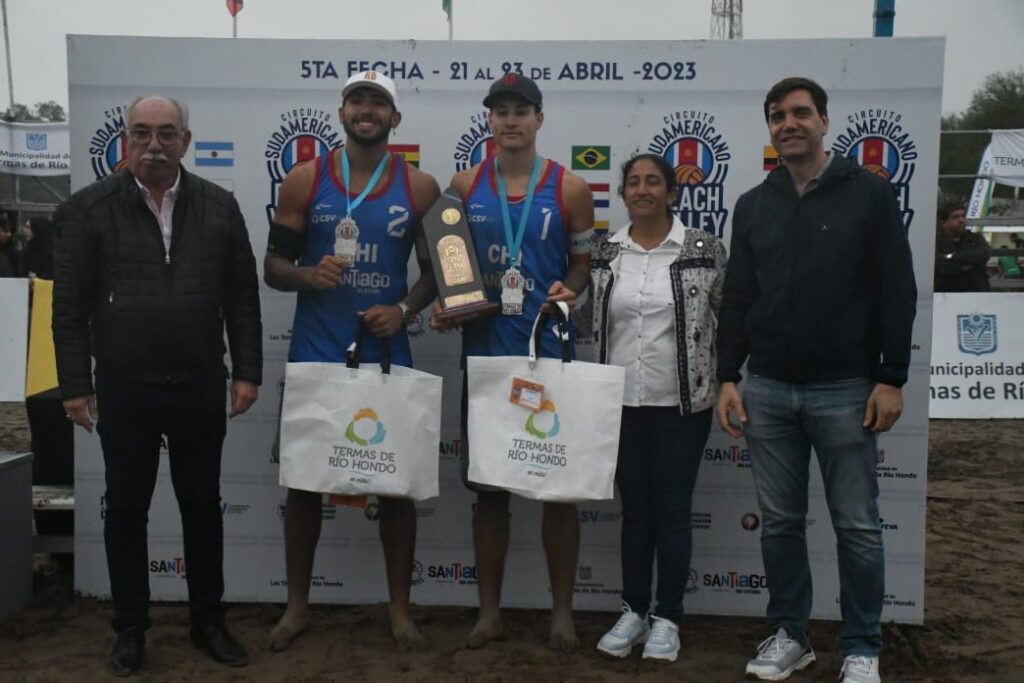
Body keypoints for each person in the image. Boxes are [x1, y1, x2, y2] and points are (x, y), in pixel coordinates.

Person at [52, 95, 262, 676]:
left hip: (199, 382)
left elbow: (243, 297)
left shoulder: (220, 207)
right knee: (125, 509)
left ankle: (208, 622)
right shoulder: (89, 209)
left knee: (202, 507)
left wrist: (247, 371)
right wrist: (75, 385)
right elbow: (68, 309)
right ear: (126, 140)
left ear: (185, 141)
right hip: (125, 387)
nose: (154, 145)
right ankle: (130, 629)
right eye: (141, 133)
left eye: (167, 133)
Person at [716, 77, 916, 683]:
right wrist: (727, 376)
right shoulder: (753, 204)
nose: (789, 123)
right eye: (777, 116)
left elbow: (897, 290)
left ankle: (861, 647)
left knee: (856, 526)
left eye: (801, 112)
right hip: (768, 389)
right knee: (779, 524)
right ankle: (790, 636)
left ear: (824, 121)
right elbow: (739, 296)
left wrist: (891, 378)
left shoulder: (870, 195)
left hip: (847, 390)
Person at [264, 71, 441, 652]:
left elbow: (440, 271)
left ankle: (400, 612)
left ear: (395, 118)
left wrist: (404, 309)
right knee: (304, 483)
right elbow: (272, 267)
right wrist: (307, 275)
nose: (367, 110)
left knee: (396, 487)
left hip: (384, 351)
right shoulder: (305, 178)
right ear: (341, 112)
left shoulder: (419, 186)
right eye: (357, 100)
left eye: (378, 103)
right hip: (316, 350)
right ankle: (296, 607)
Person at [432, 73, 594, 652]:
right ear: (490, 121)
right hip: (485, 358)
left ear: (539, 119)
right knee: (489, 494)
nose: (510, 121)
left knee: (559, 493)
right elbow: (450, 262)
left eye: (521, 111)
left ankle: (561, 615)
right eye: (500, 111)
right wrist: (450, 304)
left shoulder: (570, 188)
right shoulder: (464, 184)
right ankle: (489, 614)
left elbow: (582, 264)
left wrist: (570, 288)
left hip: (547, 357)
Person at [588, 154, 726, 662]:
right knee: (636, 511)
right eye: (633, 182)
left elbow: (729, 317)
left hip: (682, 405)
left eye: (653, 182)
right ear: (623, 194)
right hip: (621, 403)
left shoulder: (704, 249)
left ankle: (667, 618)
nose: (642, 189)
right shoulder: (604, 253)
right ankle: (633, 611)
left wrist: (731, 378)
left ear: (671, 192)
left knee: (672, 510)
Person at [933, 202, 991, 292]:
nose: (961, 220)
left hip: (976, 291)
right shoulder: (935, 242)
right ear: (943, 223)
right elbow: (940, 264)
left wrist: (953, 257)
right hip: (946, 291)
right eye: (955, 217)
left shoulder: (976, 238)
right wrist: (967, 266)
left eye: (963, 216)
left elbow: (982, 255)